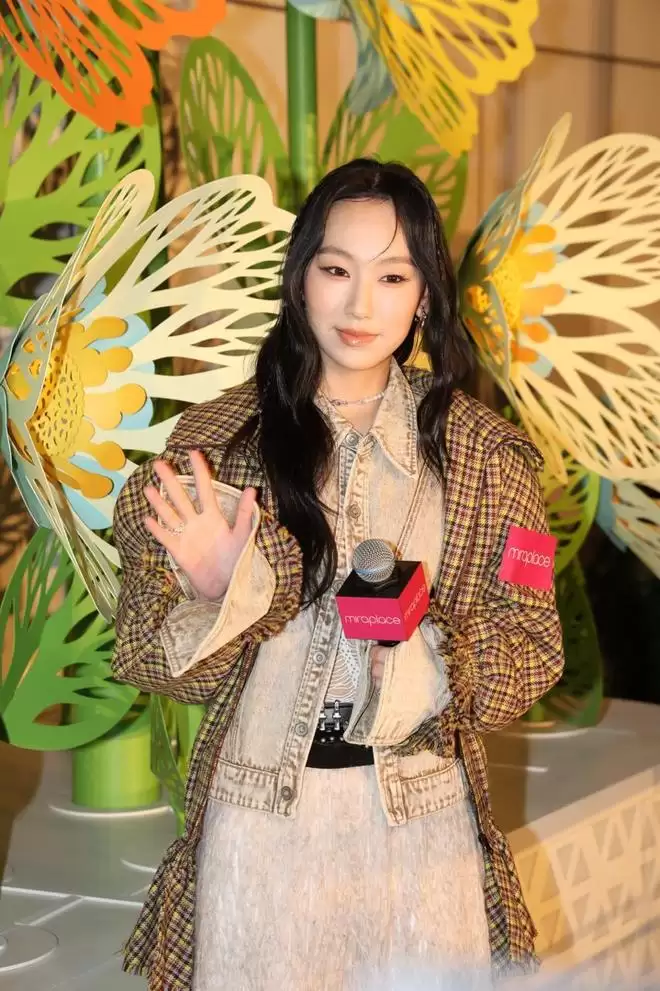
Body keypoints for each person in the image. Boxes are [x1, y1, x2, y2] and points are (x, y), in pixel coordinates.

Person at [111, 159, 564, 991]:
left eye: (391, 276)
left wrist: (429, 662)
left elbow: (534, 642)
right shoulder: (213, 450)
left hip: (421, 825)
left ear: (423, 297)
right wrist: (219, 595)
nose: (359, 306)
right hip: (259, 827)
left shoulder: (487, 457)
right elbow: (147, 658)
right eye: (335, 270)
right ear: (300, 279)